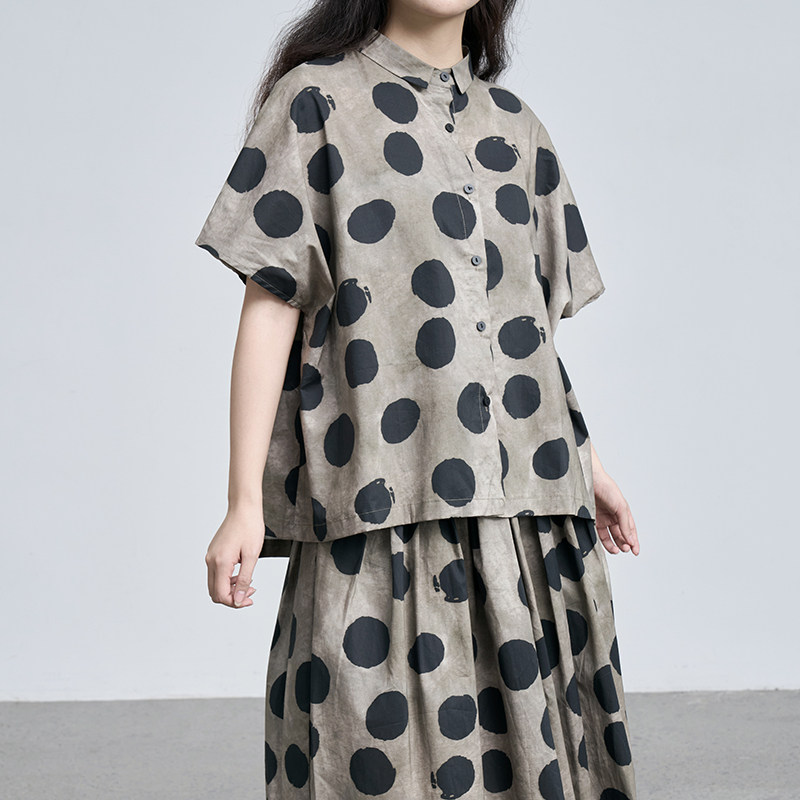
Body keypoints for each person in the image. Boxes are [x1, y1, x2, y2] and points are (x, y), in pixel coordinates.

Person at [196, 1, 641, 798]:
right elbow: (271, 304)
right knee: (369, 760)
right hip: (378, 507)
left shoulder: (520, 131)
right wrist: (242, 503)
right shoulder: (315, 103)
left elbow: (525, 333)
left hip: (524, 521)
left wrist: (590, 465)